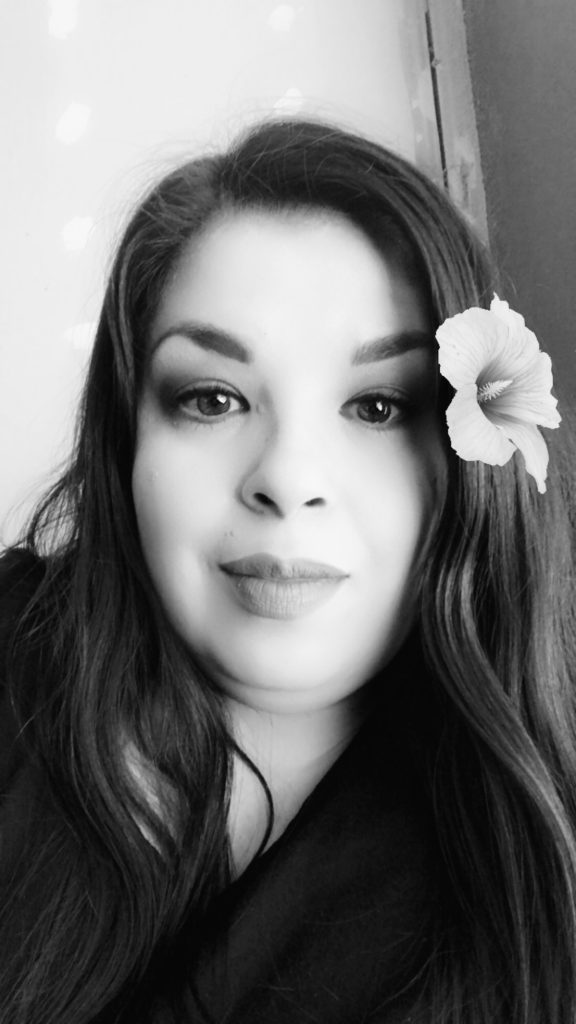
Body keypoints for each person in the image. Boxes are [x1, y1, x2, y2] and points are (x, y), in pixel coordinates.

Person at [0, 118, 574, 1024]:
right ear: (127, 444)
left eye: (379, 405)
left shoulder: (540, 865)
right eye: (213, 398)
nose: (288, 478)